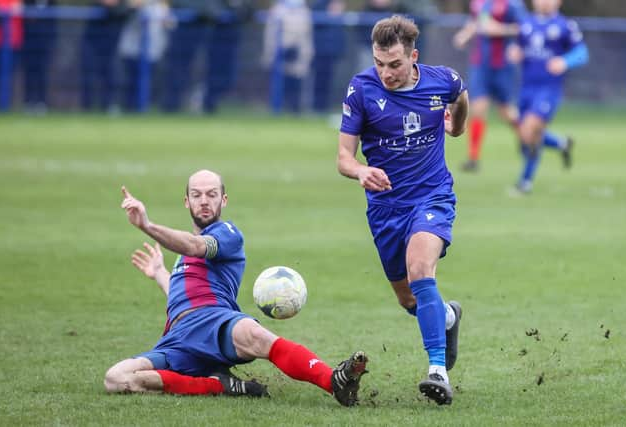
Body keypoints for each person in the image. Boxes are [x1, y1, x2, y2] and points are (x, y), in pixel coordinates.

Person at [105, 170, 368, 407]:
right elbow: (180, 295)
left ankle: (334, 381)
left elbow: (195, 246)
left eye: (212, 194)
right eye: (196, 195)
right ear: (187, 201)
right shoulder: (180, 256)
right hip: (178, 338)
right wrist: (160, 273)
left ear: (224, 200)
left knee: (256, 335)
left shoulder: (227, 234)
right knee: (115, 379)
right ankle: (220, 385)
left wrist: (147, 226)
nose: (204, 200)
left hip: (215, 320)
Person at [337, 15, 468, 405]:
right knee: (407, 297)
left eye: (394, 64)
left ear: (413, 57)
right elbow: (344, 157)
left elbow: (460, 97)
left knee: (420, 269)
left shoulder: (441, 79)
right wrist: (361, 170)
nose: (386, 72)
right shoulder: (361, 89)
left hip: (432, 197)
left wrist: (456, 128)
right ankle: (446, 318)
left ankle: (437, 371)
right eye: (379, 63)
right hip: (385, 208)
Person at [507, 0, 588, 194]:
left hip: (549, 90)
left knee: (529, 131)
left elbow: (582, 53)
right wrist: (514, 53)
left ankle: (524, 182)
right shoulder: (526, 24)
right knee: (528, 135)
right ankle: (560, 144)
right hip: (527, 88)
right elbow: (517, 48)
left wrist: (565, 61)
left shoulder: (565, 26)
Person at [452, 0, 527, 172]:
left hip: (503, 66)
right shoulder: (478, 2)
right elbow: (476, 21)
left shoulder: (513, 5)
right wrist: (465, 34)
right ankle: (473, 158)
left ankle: (526, 142)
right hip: (480, 65)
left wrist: (501, 29)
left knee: (507, 112)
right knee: (477, 108)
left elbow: (524, 29)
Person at [261, 0, 314, 114]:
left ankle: (294, 109)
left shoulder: (304, 11)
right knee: (279, 82)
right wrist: (269, 54)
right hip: (281, 51)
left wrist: (306, 54)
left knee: (296, 82)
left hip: (298, 52)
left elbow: (307, 36)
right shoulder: (277, 10)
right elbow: (270, 35)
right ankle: (276, 109)